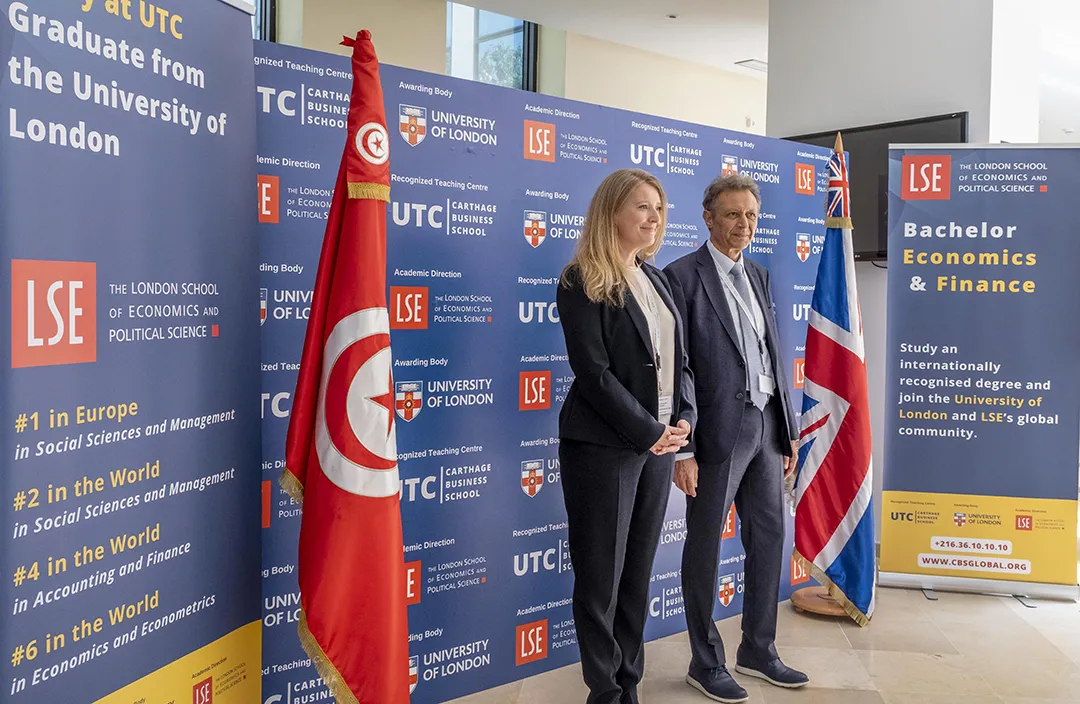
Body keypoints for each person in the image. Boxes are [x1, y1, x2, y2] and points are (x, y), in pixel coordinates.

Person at [663, 173, 809, 703]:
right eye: (731, 214)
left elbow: (773, 354)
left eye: (750, 215)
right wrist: (684, 448)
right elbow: (676, 365)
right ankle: (705, 661)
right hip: (715, 433)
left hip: (767, 424)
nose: (743, 224)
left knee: (768, 537)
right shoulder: (681, 276)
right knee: (705, 544)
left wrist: (787, 431)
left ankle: (758, 649)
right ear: (708, 218)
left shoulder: (760, 275)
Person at [556, 168, 697, 704]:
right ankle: (605, 691)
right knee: (602, 581)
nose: (654, 217)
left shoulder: (658, 279)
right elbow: (593, 373)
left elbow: (680, 363)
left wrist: (684, 421)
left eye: (659, 208)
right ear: (612, 212)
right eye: (642, 206)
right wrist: (647, 431)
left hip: (659, 447)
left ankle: (629, 684)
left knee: (637, 574)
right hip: (604, 449)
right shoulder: (581, 279)